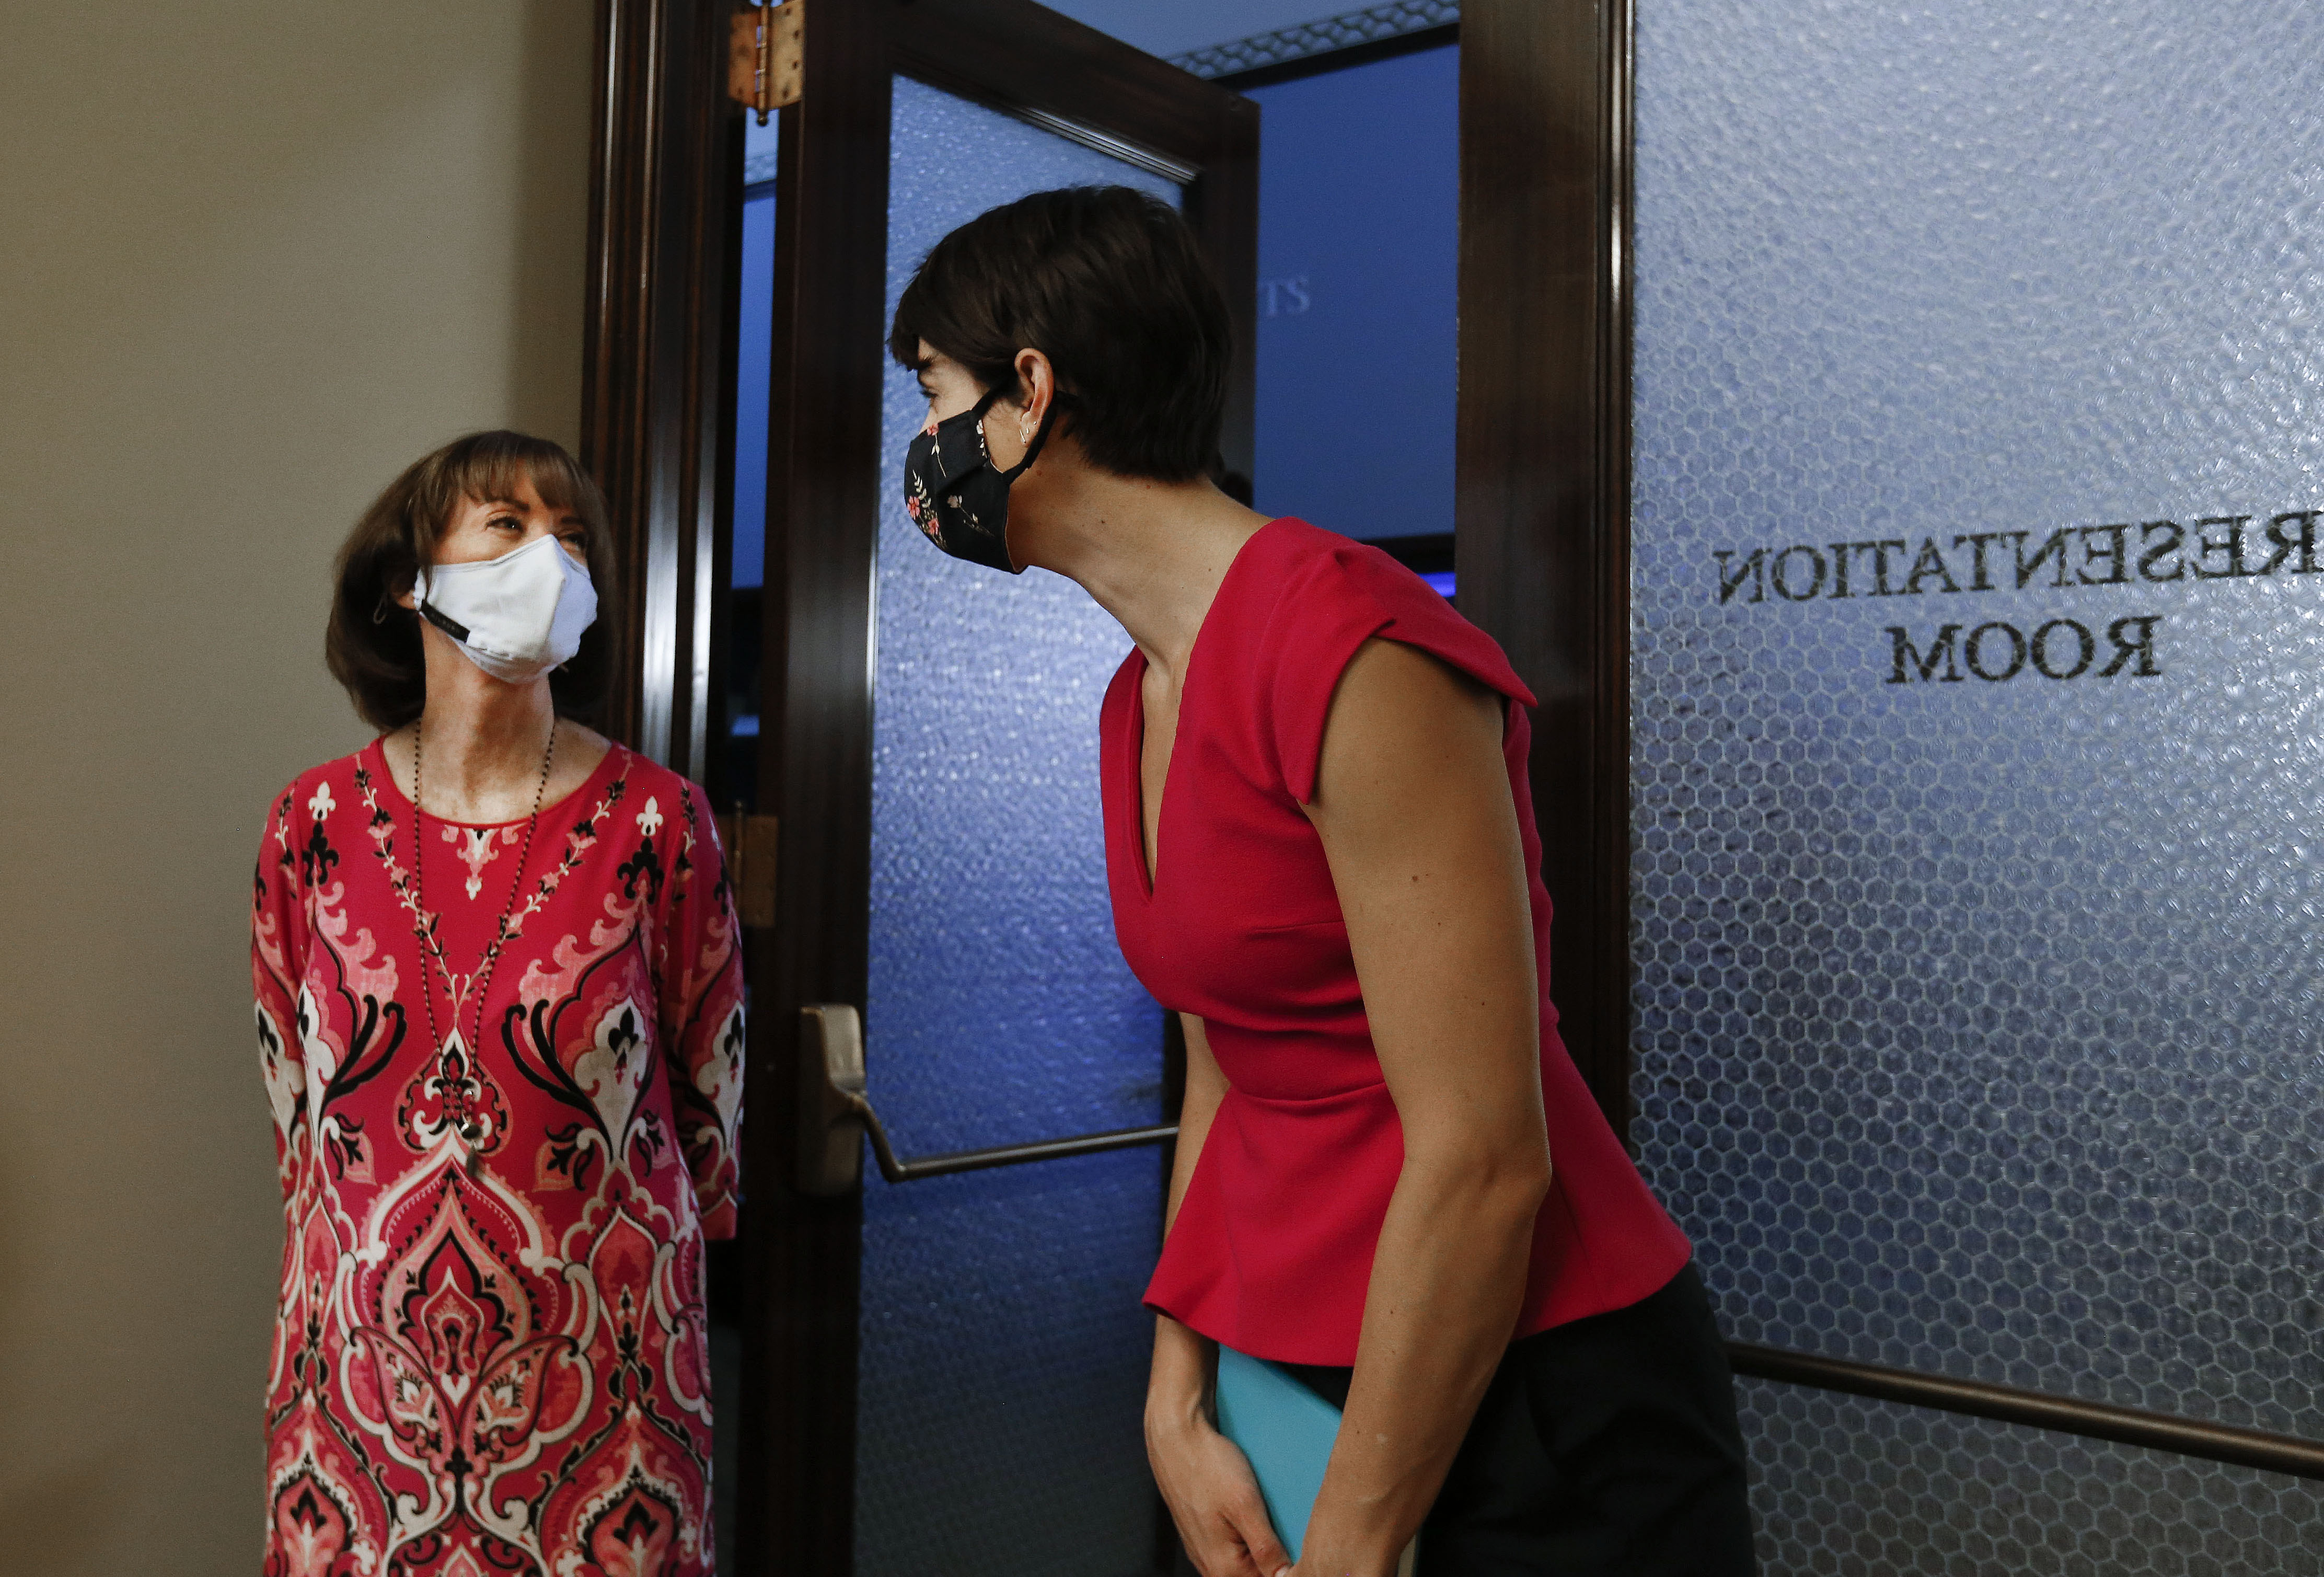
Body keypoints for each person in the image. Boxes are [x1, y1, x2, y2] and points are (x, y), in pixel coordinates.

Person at [888, 186, 1754, 1576]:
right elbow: (1226, 1065)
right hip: (1286, 1358)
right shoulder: (1141, 691)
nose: (923, 452)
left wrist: (1357, 1544)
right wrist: (1175, 1392)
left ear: (1030, 394)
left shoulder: (1356, 648)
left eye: (934, 394)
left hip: (1535, 1384)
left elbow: (1484, 1154)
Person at [251, 432, 744, 1574]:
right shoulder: (307, 827)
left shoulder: (660, 823)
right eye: (509, 528)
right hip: (359, 1389)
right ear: (407, 583)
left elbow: (708, 1127)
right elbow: (297, 1117)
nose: (553, 562)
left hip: (606, 1388)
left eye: (573, 539)